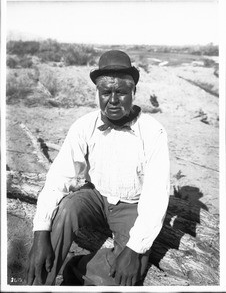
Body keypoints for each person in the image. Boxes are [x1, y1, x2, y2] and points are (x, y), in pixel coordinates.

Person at [27, 50, 170, 286]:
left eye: (122, 92)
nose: (113, 100)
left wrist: (134, 250)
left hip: (131, 206)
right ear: (98, 94)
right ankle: (40, 283)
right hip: (95, 197)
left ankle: (78, 265)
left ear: (134, 92)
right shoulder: (84, 125)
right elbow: (58, 178)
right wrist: (40, 233)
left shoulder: (153, 132)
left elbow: (155, 195)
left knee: (128, 272)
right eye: (106, 92)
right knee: (66, 209)